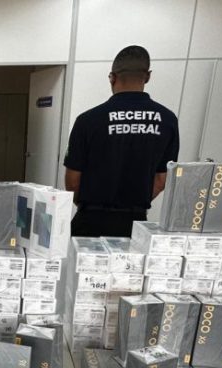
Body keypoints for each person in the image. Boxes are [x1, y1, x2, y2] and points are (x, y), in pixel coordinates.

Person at [64, 45, 179, 237]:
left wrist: (88, 206)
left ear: (112, 77)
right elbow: (161, 180)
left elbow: (73, 181)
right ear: (148, 76)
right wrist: (132, 205)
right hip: (134, 223)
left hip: (90, 221)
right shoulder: (167, 120)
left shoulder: (88, 120)